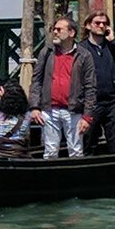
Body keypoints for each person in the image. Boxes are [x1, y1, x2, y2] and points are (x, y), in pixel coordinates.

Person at [28, 14, 96, 158]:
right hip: (49, 110)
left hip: (73, 110)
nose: (55, 32)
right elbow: (36, 80)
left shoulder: (84, 55)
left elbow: (90, 87)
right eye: (54, 29)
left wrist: (87, 116)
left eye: (59, 29)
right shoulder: (47, 52)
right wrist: (34, 107)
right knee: (50, 151)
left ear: (71, 33)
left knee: (76, 151)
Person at [80, 10, 115, 154]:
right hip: (92, 103)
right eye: (97, 23)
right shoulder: (81, 49)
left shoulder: (110, 46)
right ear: (88, 25)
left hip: (112, 102)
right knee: (89, 141)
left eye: (104, 23)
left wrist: (113, 40)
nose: (101, 26)